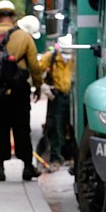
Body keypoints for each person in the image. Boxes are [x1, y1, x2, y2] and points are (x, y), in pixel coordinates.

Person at [0, 0, 43, 181]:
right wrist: (38, 85)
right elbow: (34, 66)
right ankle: (27, 167)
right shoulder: (23, 36)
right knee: (22, 127)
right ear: (13, 17)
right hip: (18, 89)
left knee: (0, 128)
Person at [39, 34, 73, 172]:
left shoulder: (76, 57)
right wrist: (43, 86)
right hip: (57, 97)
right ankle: (56, 158)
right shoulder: (51, 58)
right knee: (56, 128)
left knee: (71, 128)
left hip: (72, 95)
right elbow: (36, 70)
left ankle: (71, 156)